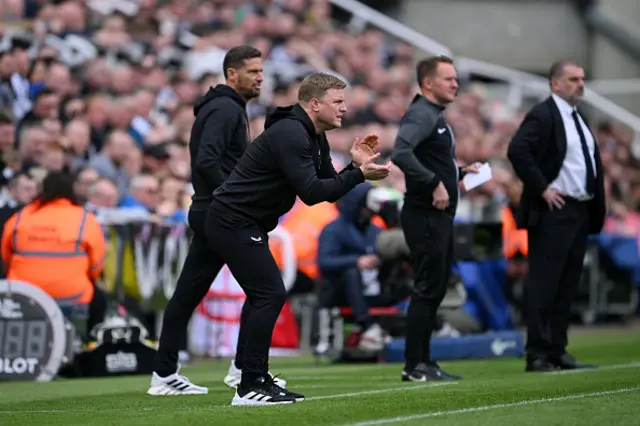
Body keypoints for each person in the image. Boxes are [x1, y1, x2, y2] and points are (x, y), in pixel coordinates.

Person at [206, 72, 389, 406]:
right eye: (338, 101)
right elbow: (312, 192)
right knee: (269, 294)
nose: (345, 109)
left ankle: (250, 375)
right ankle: (250, 384)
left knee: (263, 295)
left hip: (240, 220)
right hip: (232, 219)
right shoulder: (292, 132)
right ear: (315, 103)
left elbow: (330, 187)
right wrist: (357, 174)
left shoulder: (311, 133)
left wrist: (355, 167)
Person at [147, 45, 266, 396]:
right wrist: (233, 198)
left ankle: (164, 374)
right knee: (266, 291)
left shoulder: (227, 107)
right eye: (253, 71)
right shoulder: (225, 109)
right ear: (232, 74)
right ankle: (243, 369)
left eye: (261, 71)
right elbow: (206, 160)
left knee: (187, 294)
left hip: (210, 210)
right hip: (222, 213)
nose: (260, 77)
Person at [507, 59, 605, 372]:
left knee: (567, 285)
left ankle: (557, 350)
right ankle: (537, 353)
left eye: (582, 78)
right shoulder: (544, 114)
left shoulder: (580, 117)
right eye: (573, 79)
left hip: (579, 209)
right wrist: (542, 188)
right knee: (545, 283)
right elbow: (518, 150)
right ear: (555, 83)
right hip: (554, 209)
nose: (580, 84)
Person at [391, 55, 479, 382]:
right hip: (424, 215)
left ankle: (424, 362)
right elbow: (400, 152)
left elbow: (426, 157)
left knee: (436, 287)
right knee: (428, 288)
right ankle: (415, 365)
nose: (456, 84)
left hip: (435, 215)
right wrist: (433, 182)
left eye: (456, 79)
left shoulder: (434, 116)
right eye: (448, 79)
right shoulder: (422, 114)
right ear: (428, 83)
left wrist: (456, 172)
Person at [1, 171, 107, 334]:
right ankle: (88, 345)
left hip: (24, 298)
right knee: (99, 300)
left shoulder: (21, 216)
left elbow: (5, 257)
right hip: (72, 298)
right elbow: (97, 265)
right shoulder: (85, 219)